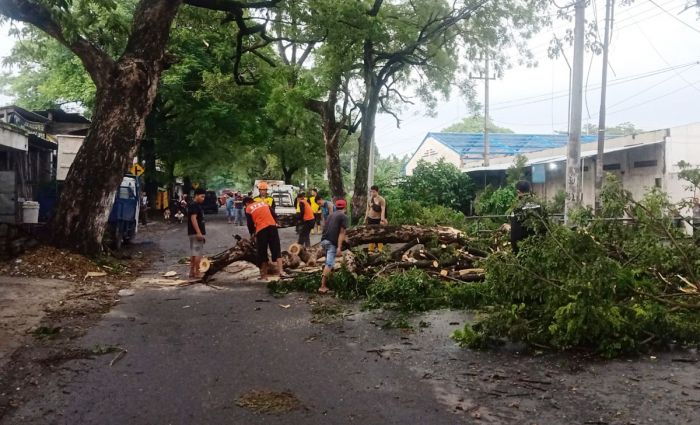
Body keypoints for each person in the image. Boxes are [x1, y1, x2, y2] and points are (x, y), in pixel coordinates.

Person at [244, 196, 283, 280]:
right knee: (276, 249)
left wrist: (252, 234)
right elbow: (274, 214)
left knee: (262, 252)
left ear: (246, 203)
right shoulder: (263, 203)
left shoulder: (248, 208)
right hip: (272, 227)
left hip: (261, 230)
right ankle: (281, 272)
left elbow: (250, 224)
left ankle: (264, 275)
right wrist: (275, 222)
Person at [319, 199, 348, 294]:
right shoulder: (343, 216)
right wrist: (339, 247)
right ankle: (322, 286)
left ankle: (330, 283)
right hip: (331, 242)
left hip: (323, 240)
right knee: (330, 263)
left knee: (328, 261)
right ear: (345, 207)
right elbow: (341, 233)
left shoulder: (331, 215)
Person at [507, 180, 542, 254]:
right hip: (538, 246)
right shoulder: (539, 205)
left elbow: (515, 232)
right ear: (530, 190)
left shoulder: (517, 209)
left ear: (518, 192)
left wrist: (514, 249)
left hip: (522, 248)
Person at [188, 188, 207, 279]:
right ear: (196, 195)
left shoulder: (195, 205)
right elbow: (193, 218)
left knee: (194, 252)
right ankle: (197, 272)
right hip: (195, 232)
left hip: (193, 232)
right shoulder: (195, 205)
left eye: (204, 197)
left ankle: (192, 272)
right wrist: (199, 232)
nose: (203, 198)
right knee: (198, 253)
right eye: (202, 196)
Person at [365, 185, 387, 253]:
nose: (372, 193)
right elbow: (367, 209)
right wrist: (365, 218)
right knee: (371, 233)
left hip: (378, 219)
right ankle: (371, 249)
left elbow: (383, 210)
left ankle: (380, 249)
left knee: (379, 234)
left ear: (377, 191)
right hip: (370, 218)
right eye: (371, 192)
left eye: (374, 192)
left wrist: (382, 219)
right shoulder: (369, 199)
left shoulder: (381, 199)